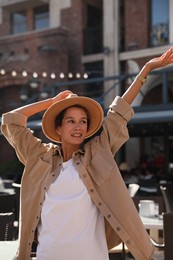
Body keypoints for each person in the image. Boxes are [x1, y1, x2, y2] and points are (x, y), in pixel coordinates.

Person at [1, 47, 173, 260]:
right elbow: (11, 120)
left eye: (83, 121)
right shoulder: (39, 156)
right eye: (70, 121)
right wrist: (52, 103)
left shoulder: (98, 152)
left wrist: (146, 69)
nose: (78, 127)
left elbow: (119, 111)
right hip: (48, 255)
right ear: (58, 129)